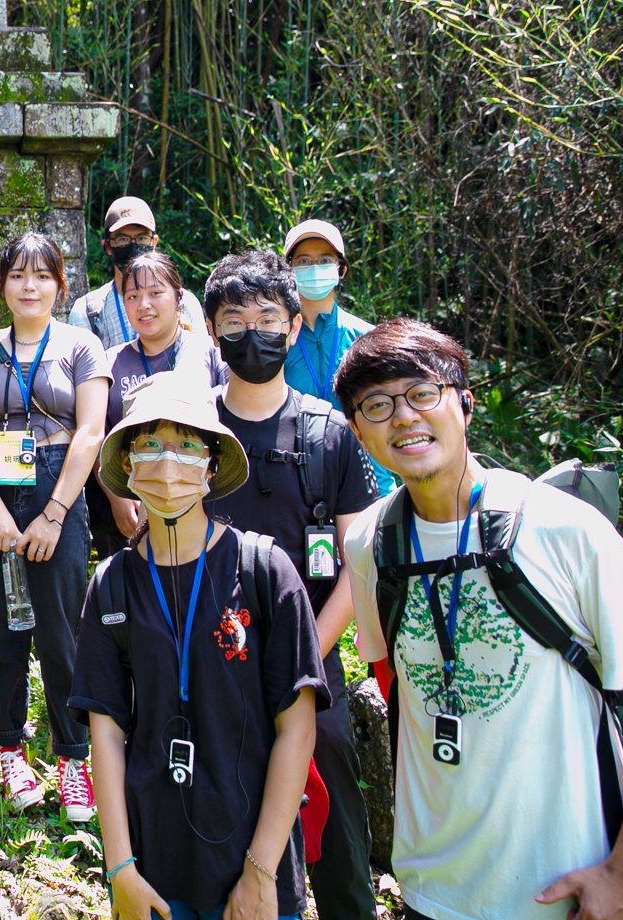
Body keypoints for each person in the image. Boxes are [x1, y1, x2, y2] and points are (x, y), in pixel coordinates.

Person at [336, 319, 623, 920]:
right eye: (378, 405)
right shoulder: (370, 543)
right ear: (359, 432)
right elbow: (396, 683)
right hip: (432, 893)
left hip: (568, 896)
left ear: (464, 404)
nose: (404, 417)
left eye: (423, 393)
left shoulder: (564, 530)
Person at [71, 375, 326, 920]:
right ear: (127, 463)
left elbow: (297, 728)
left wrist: (260, 871)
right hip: (151, 872)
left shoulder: (264, 571)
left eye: (187, 445)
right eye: (150, 445)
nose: (168, 464)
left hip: (254, 869)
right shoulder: (111, 584)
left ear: (212, 464)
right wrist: (120, 870)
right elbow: (106, 733)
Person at [201, 249, 381, 920]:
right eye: (235, 321)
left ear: (296, 325)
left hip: (311, 667)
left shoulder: (330, 434)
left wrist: (305, 655)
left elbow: (357, 562)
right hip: (207, 663)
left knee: (333, 819)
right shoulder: (190, 432)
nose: (253, 334)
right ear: (212, 332)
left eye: (269, 319)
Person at [0, 232, 103, 819]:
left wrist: (55, 514)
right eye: (17, 275)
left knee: (62, 635)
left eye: (41, 275)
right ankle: (11, 749)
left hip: (57, 486)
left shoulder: (81, 346)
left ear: (60, 284)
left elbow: (90, 432)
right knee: (2, 631)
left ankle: (72, 759)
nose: (29, 286)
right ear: (2, 286)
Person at [89, 251, 226, 560]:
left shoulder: (208, 354)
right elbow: (96, 435)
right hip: (127, 512)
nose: (144, 305)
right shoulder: (109, 363)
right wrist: (116, 497)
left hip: (202, 505)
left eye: (155, 293)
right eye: (133, 296)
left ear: (179, 297)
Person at [282, 219, 394, 492]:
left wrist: (383, 493)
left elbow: (382, 417)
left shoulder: (368, 338)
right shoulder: (277, 339)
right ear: (289, 270)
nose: (314, 268)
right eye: (304, 261)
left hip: (363, 480)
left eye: (325, 260)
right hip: (294, 482)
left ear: (341, 269)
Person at [68, 196, 205, 348]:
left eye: (142, 238)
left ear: (154, 242)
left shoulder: (184, 302)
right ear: (107, 246)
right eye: (122, 239)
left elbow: (202, 357)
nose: (133, 246)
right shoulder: (87, 311)